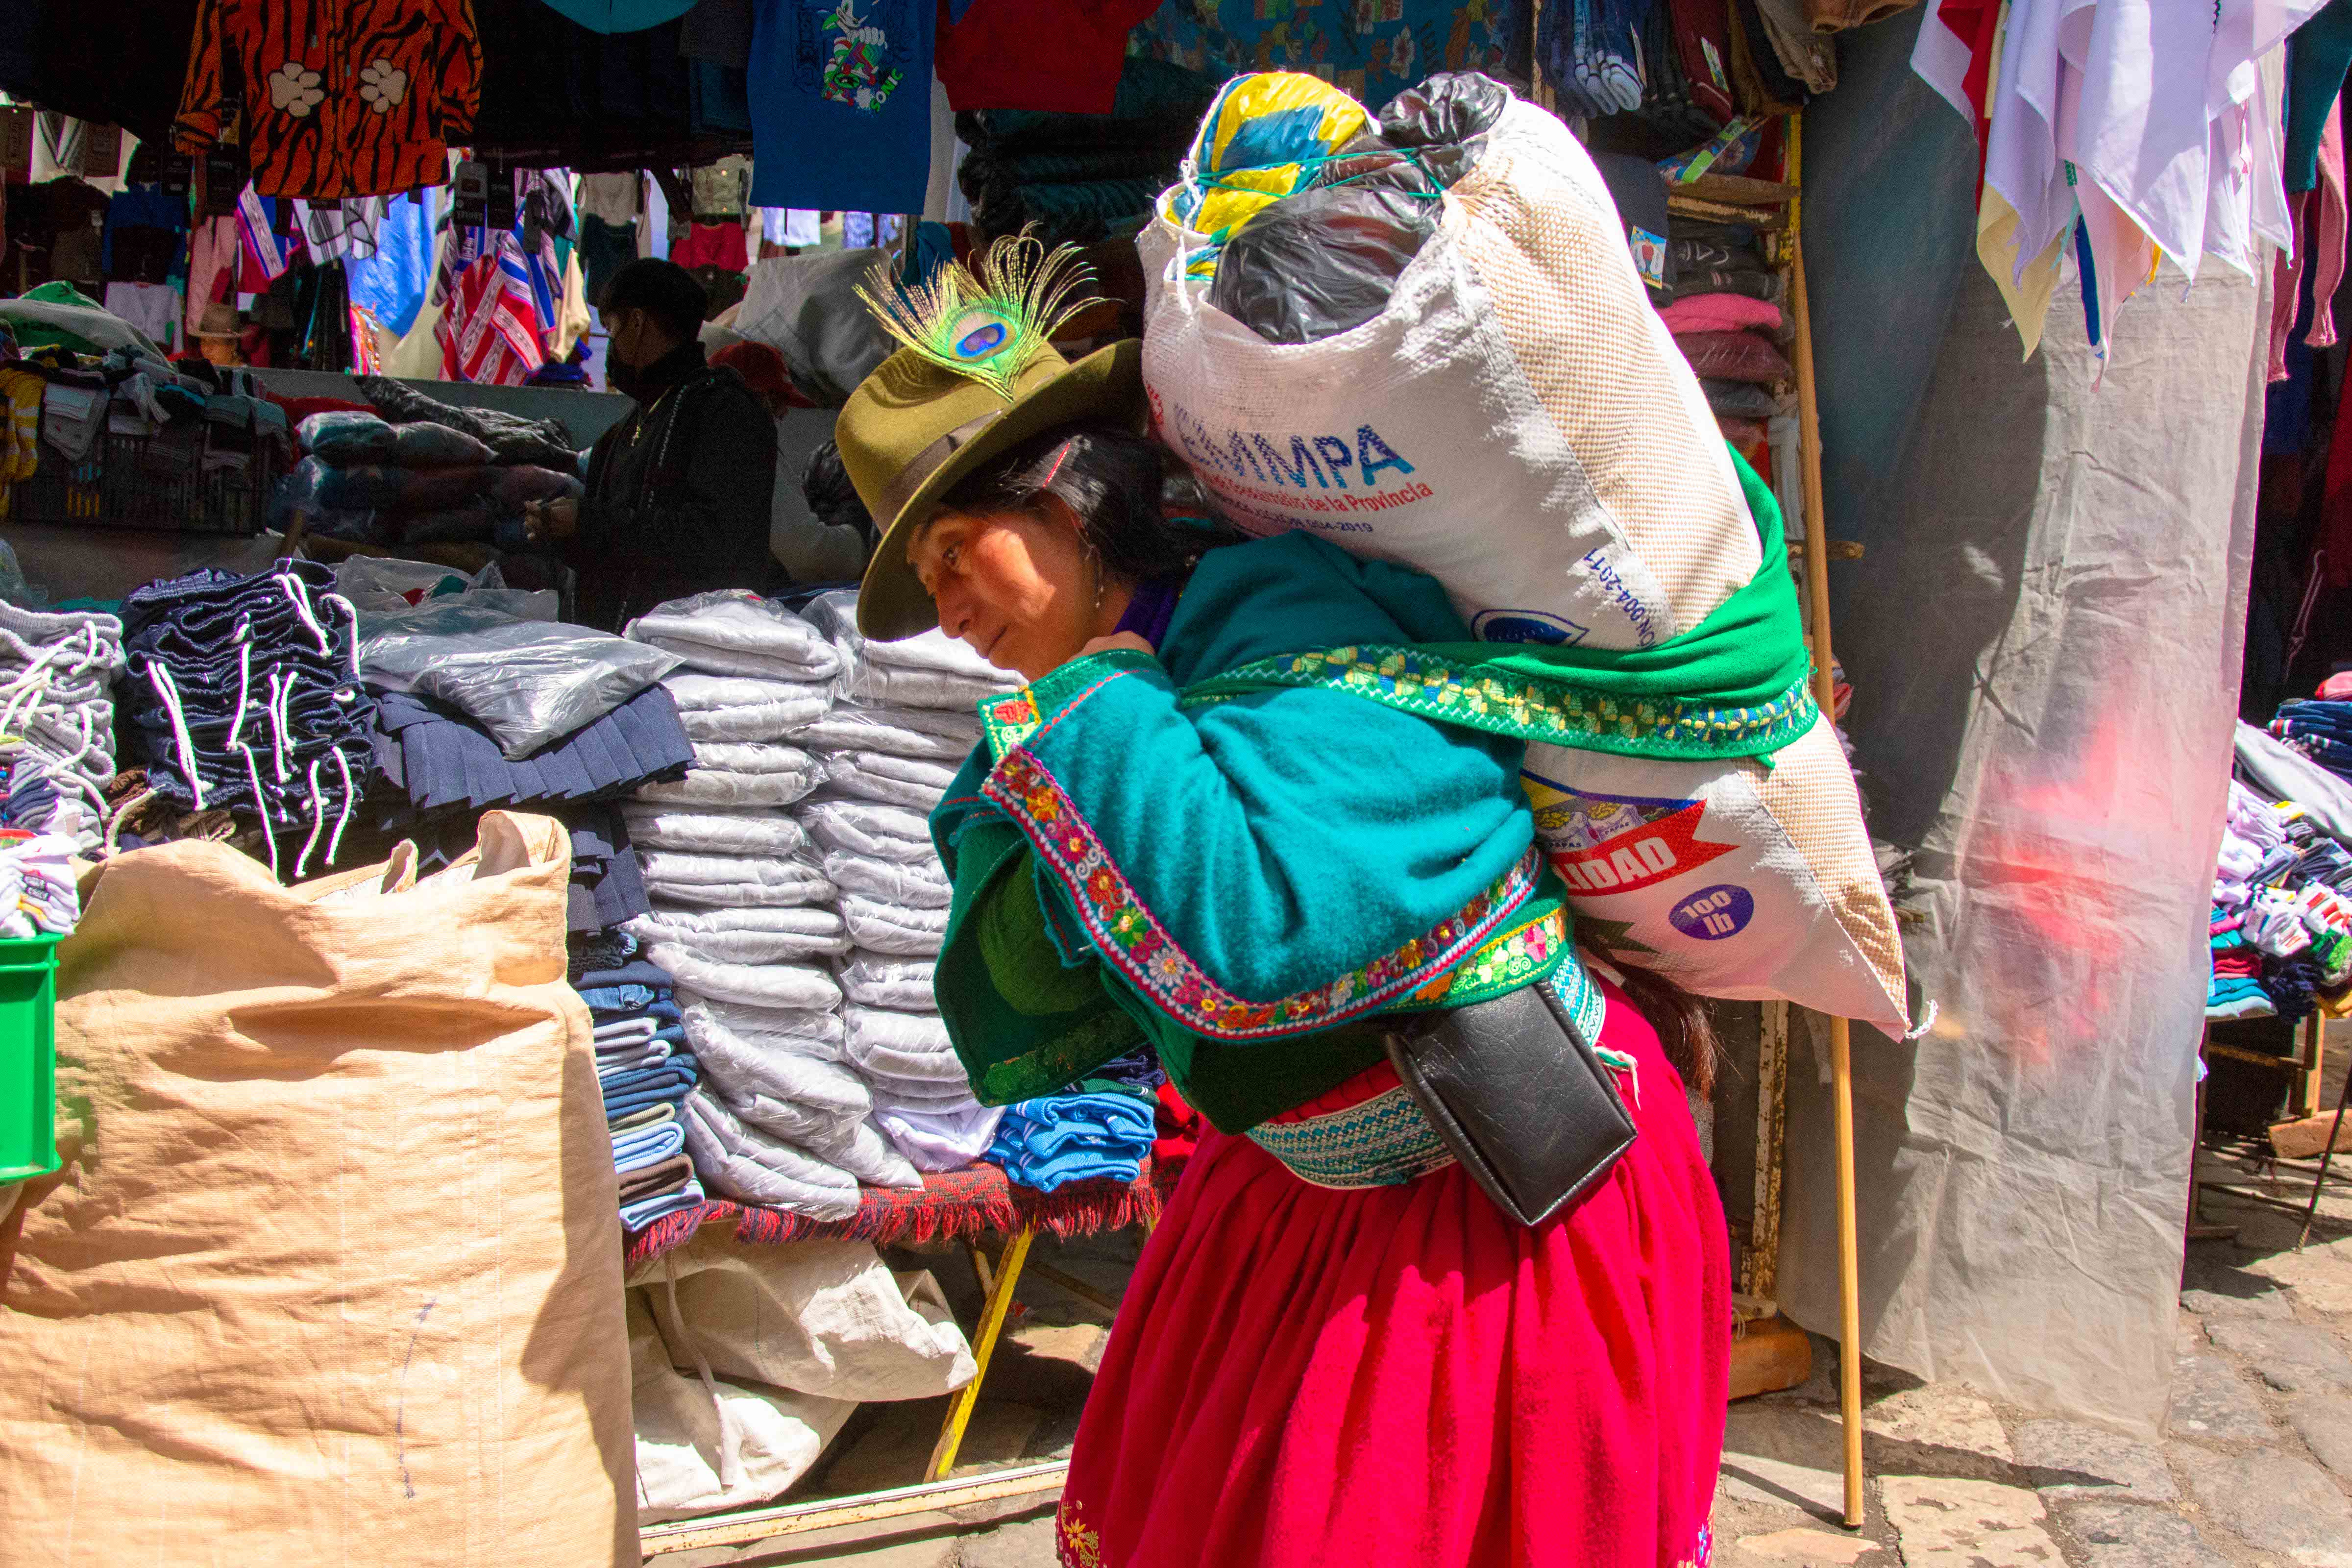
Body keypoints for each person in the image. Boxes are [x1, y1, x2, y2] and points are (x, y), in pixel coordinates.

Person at [833, 234, 1730, 1568]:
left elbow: (1269, 929)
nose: (951, 608)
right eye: (929, 582)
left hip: (1500, 1217)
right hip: (1295, 1202)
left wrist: (1100, 707)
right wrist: (1102, 718)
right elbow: (1013, 975)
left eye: (962, 552)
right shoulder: (1123, 690)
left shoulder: (1291, 623)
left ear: (1070, 497)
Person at [519, 258, 777, 629]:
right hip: (625, 644)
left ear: (638, 323)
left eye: (612, 331)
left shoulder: (726, 411)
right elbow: (613, 549)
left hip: (691, 645)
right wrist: (565, 532)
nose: (611, 349)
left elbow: (714, 543)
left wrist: (589, 524)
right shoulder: (631, 426)